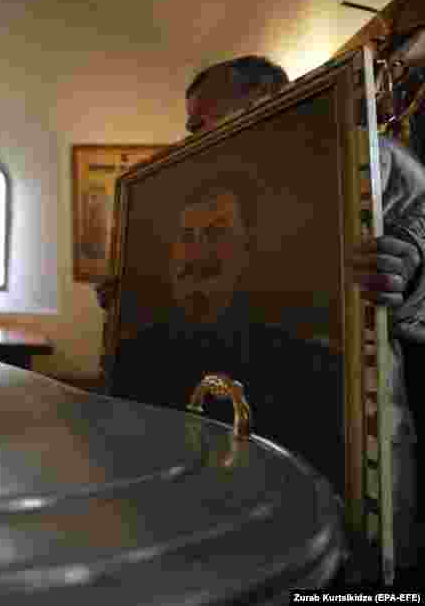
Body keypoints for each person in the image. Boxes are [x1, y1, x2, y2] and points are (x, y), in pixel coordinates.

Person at [97, 54, 425, 566]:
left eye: (200, 121)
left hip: (354, 449)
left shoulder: (369, 157)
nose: (189, 137)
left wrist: (410, 265)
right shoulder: (198, 186)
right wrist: (129, 295)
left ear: (265, 102)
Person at [111, 171, 345, 488]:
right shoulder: (134, 355)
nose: (197, 254)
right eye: (187, 237)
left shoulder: (307, 365)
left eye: (216, 234)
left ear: (247, 250)